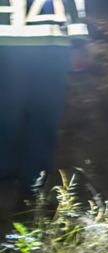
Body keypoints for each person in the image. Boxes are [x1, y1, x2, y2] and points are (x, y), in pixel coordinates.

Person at [0, 0, 87, 210]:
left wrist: (78, 40)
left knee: (42, 120)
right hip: (19, 45)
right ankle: (15, 188)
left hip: (48, 45)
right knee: (11, 118)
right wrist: (78, 41)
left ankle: (32, 191)